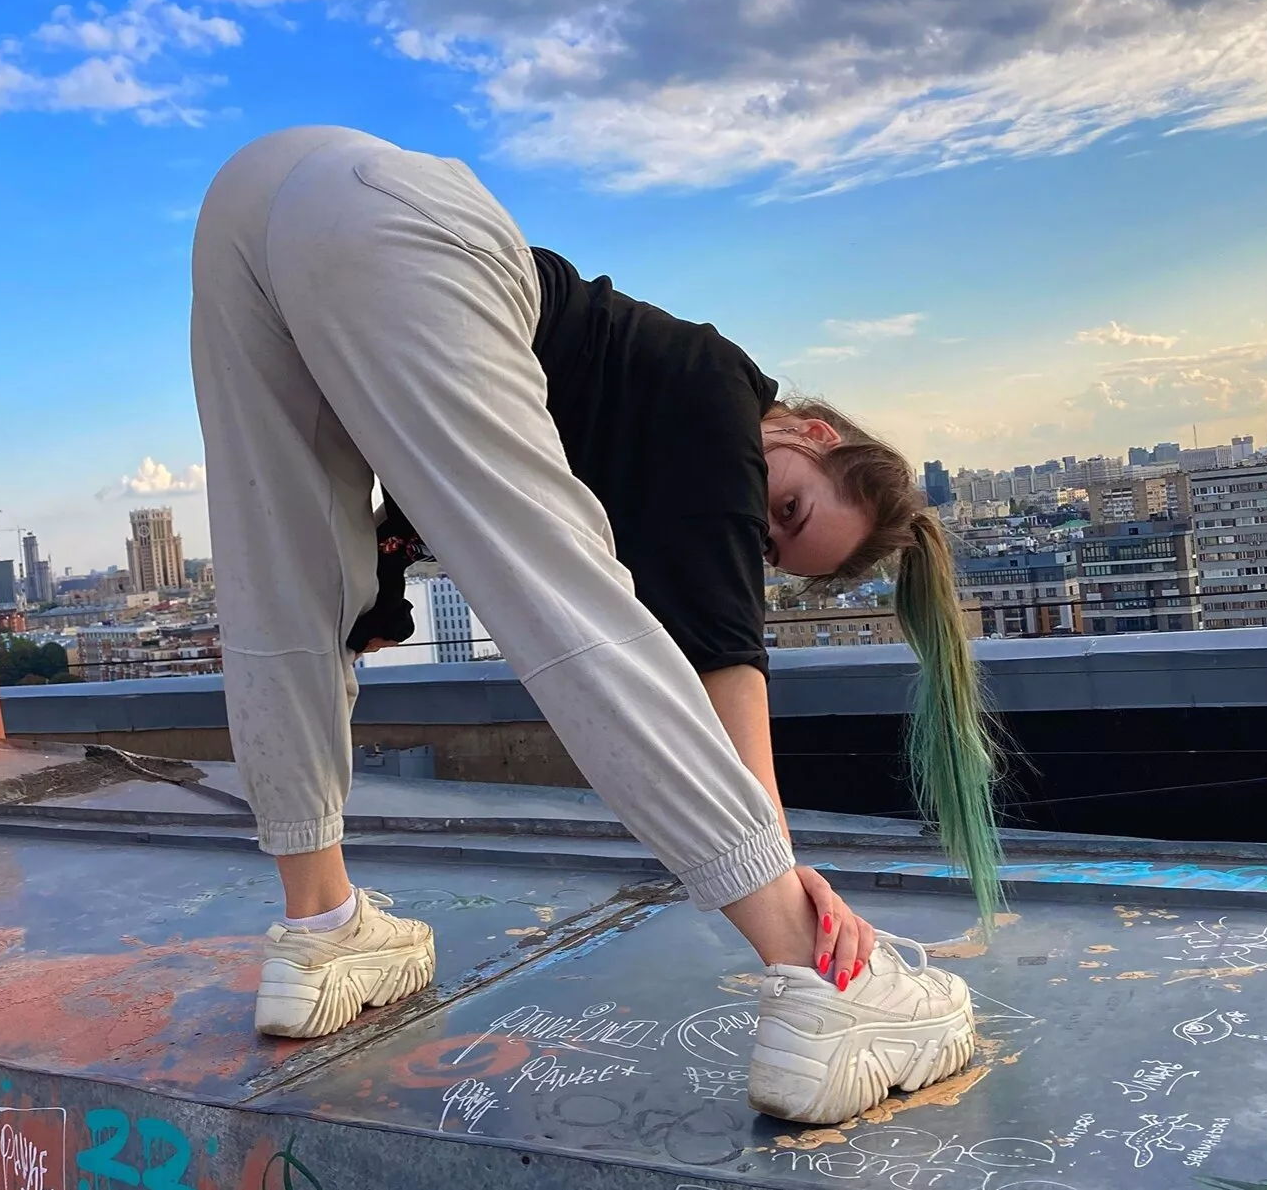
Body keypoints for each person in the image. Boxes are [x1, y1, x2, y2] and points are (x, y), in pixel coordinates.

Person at [190, 126, 1001, 1127]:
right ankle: (824, 981)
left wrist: (376, 579)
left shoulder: (655, 408)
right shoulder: (721, 392)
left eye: (772, 546)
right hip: (391, 212)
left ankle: (321, 929)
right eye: (788, 507)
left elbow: (382, 504)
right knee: (559, 596)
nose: (757, 527)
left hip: (254, 195)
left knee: (280, 579)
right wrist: (785, 879)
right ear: (810, 431)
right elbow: (721, 657)